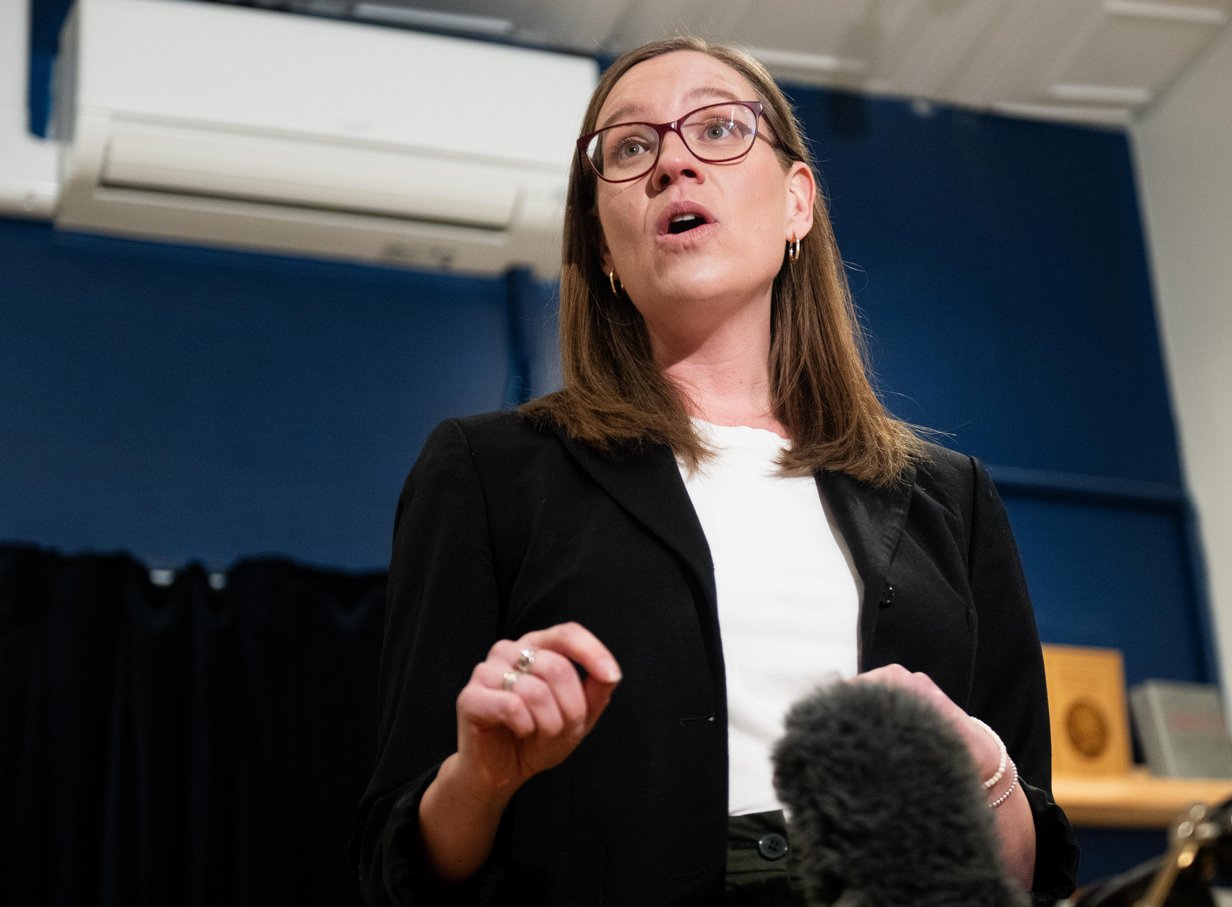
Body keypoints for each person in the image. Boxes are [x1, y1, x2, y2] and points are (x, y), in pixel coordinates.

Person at [352, 35, 1079, 906]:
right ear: (605, 247)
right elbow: (396, 864)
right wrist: (481, 777)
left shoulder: (950, 497)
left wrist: (983, 767)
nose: (673, 164)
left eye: (720, 129)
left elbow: (1029, 871)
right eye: (631, 147)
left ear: (797, 202)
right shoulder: (488, 471)